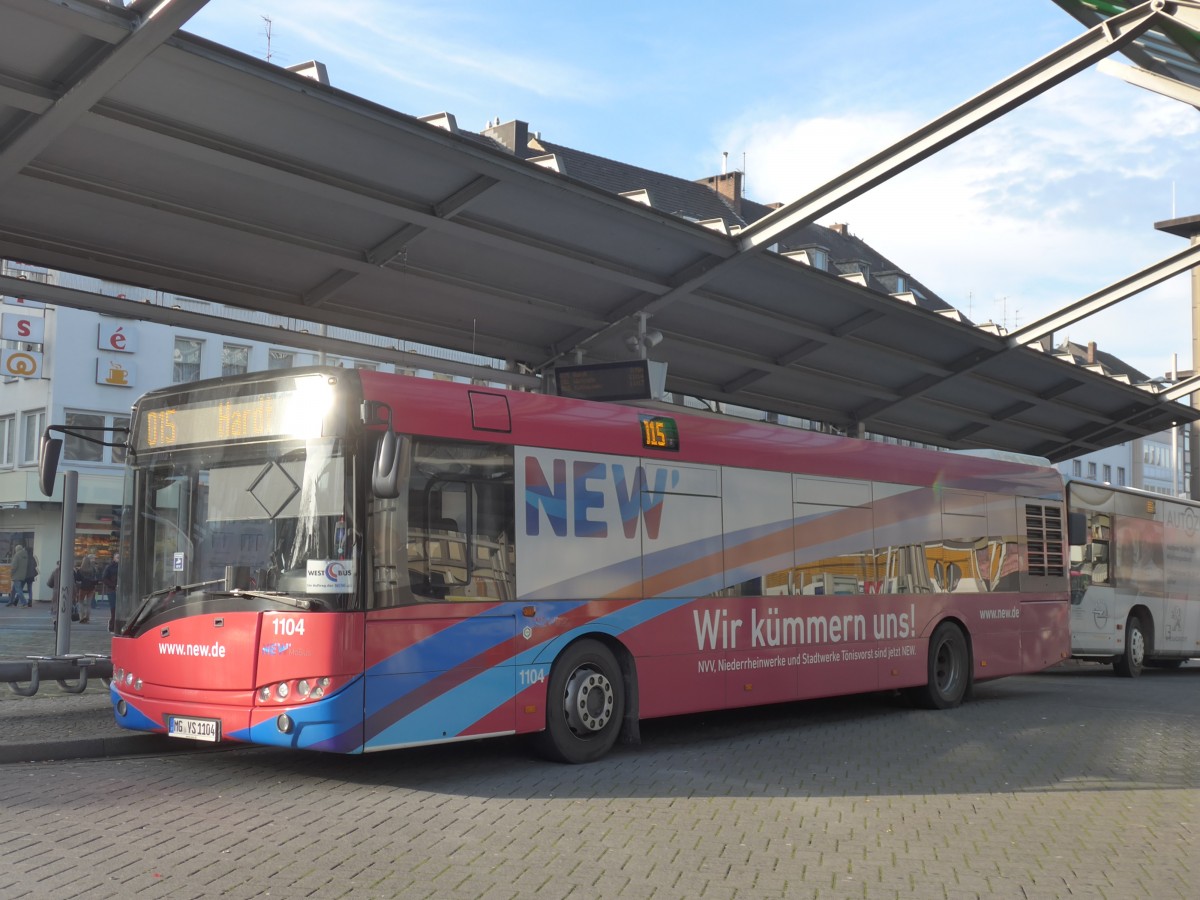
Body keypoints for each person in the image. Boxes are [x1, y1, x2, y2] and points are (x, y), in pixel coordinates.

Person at [75, 554, 97, 624]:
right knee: (88, 604)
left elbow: (77, 579)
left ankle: (81, 617)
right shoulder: (93, 569)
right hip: (91, 587)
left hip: (83, 587)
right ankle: (87, 617)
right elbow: (96, 576)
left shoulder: (80, 569)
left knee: (81, 602)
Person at [7, 541, 29, 607]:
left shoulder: (17, 555)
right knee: (13, 590)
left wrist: (11, 573)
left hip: (16, 575)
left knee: (18, 590)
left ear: (16, 549)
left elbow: (14, 566)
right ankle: (11, 602)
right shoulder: (26, 555)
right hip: (23, 575)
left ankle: (24, 603)